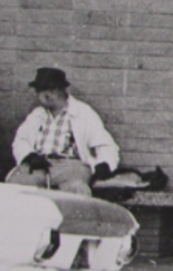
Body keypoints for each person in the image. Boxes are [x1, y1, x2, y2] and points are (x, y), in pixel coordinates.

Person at [7, 67, 120, 196]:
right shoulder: (37, 114)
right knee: (17, 185)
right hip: (40, 165)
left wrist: (104, 164)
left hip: (71, 166)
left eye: (47, 90)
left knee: (76, 189)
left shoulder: (83, 112)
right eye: (39, 91)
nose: (42, 95)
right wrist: (30, 156)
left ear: (58, 90)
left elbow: (106, 145)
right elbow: (21, 140)